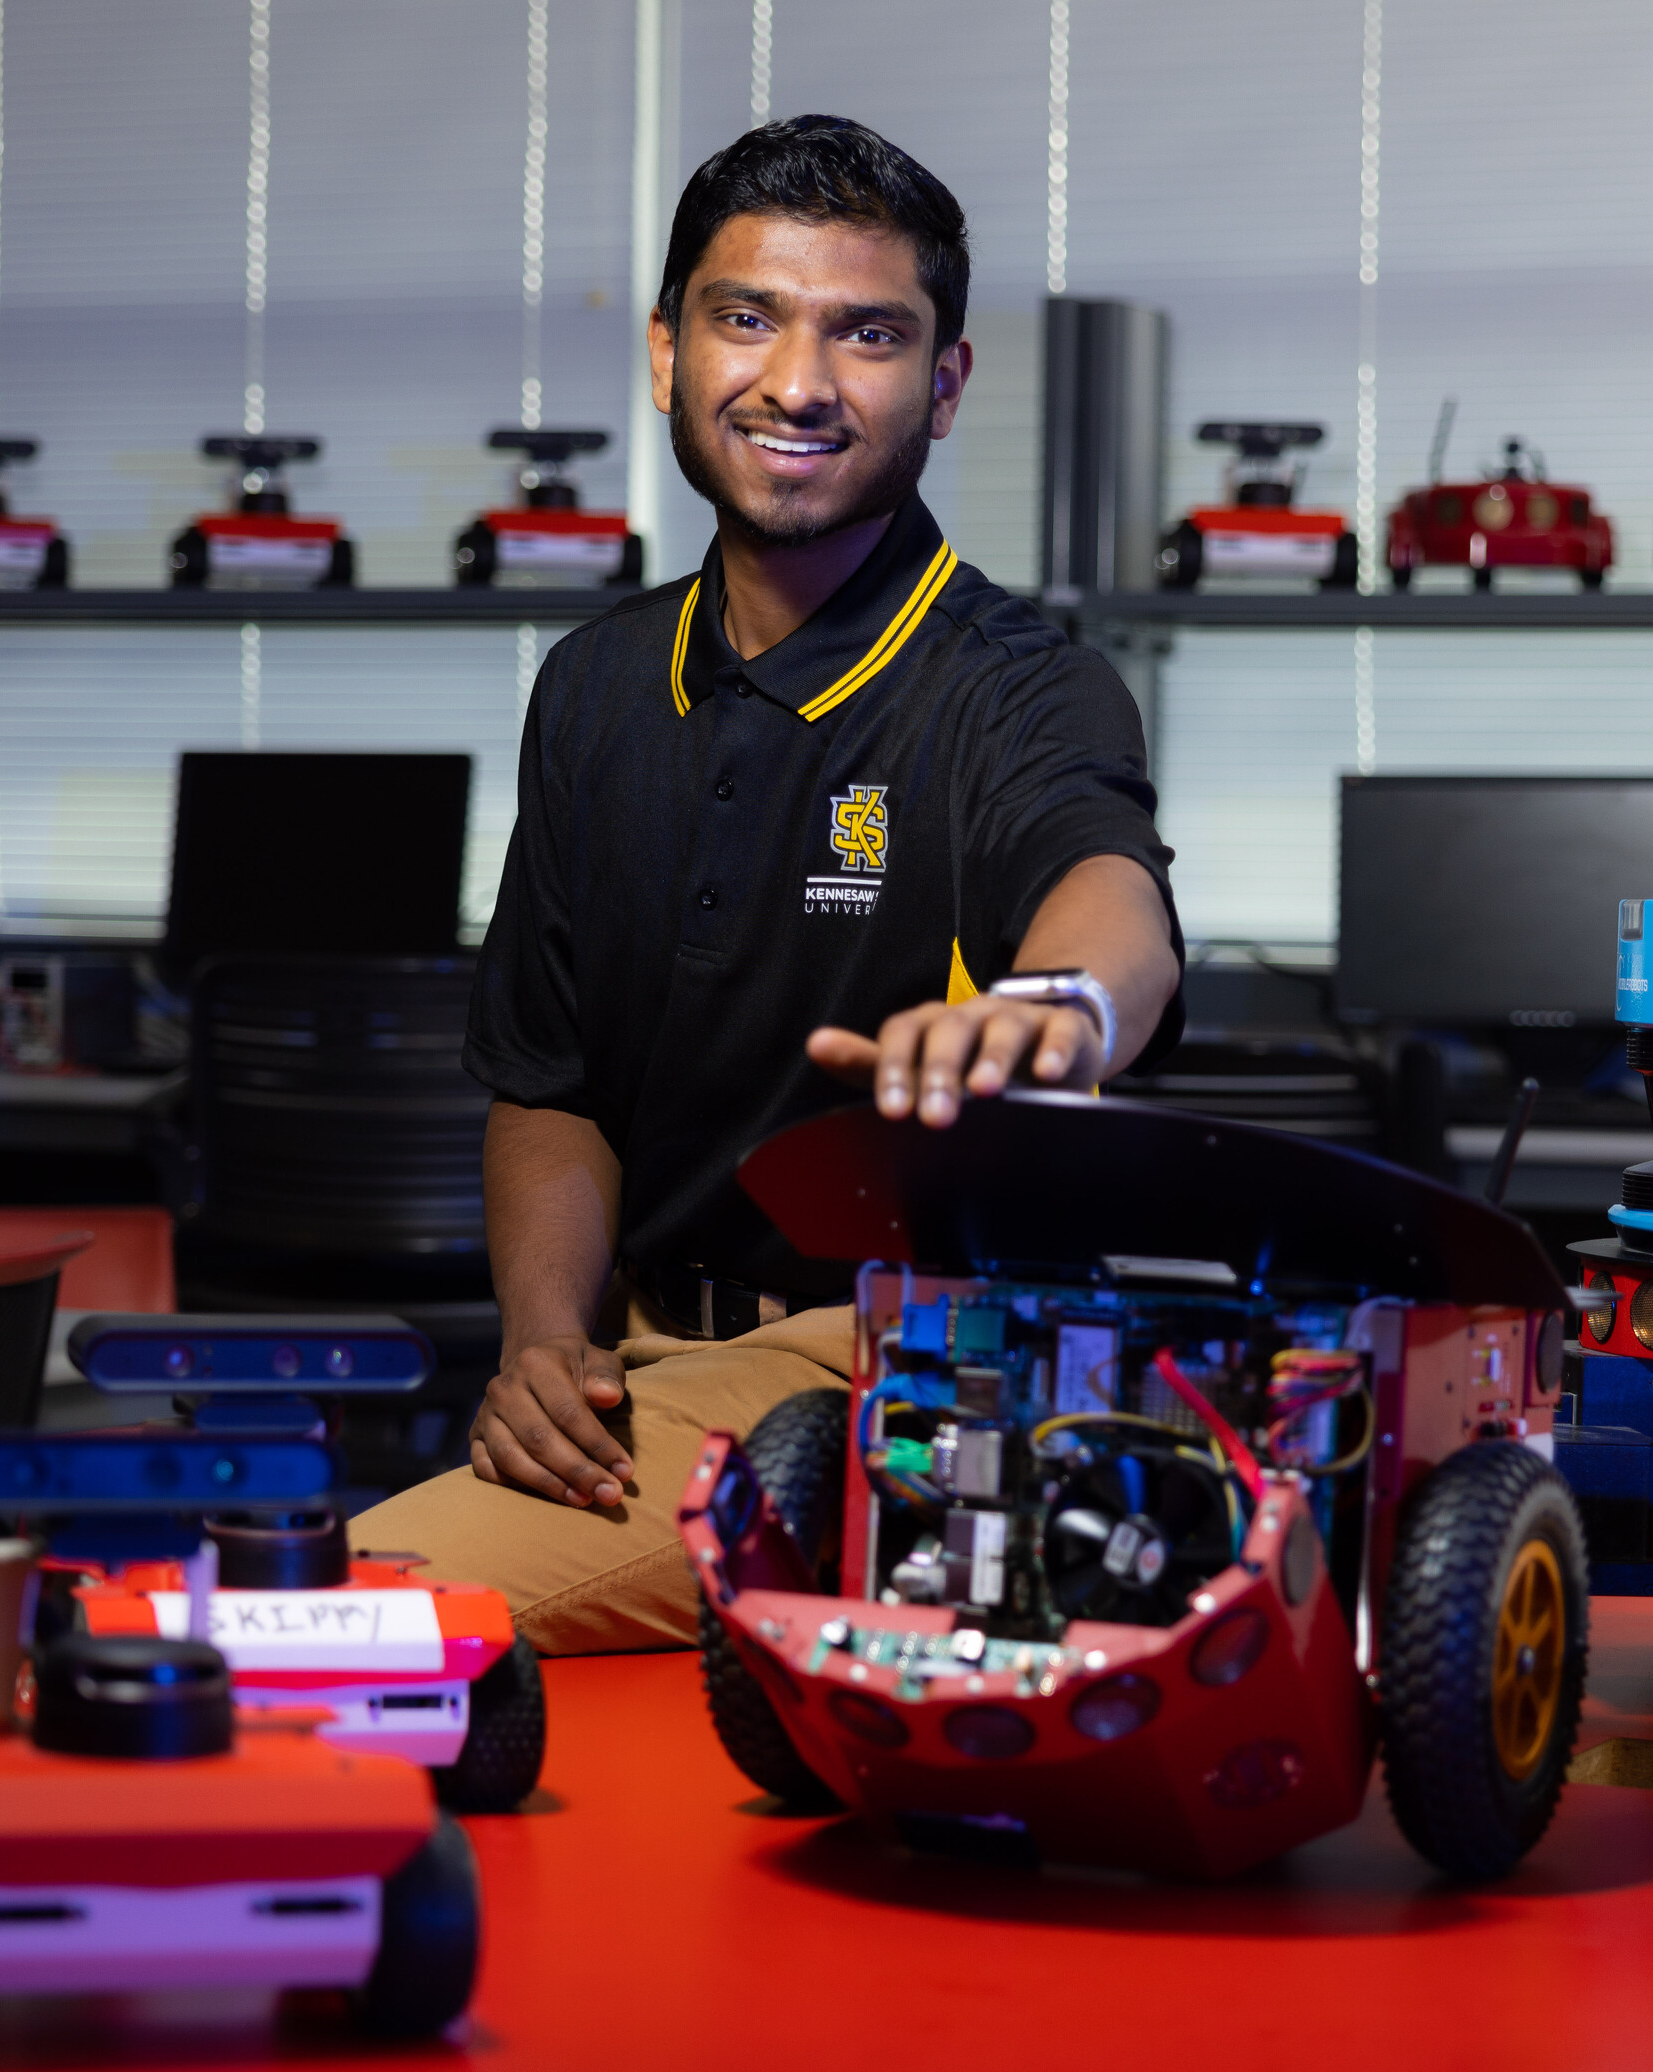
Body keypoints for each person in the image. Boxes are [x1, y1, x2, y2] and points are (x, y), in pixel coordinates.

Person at [351, 115, 1184, 1652]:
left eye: (868, 334)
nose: (798, 382)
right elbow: (553, 1082)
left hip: (884, 1376)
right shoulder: (596, 685)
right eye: (749, 318)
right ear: (668, 353)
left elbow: (1105, 886)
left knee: (348, 1617)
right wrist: (542, 1339)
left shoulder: (1018, 687)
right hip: (637, 1362)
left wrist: (1057, 1009)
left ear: (943, 386)